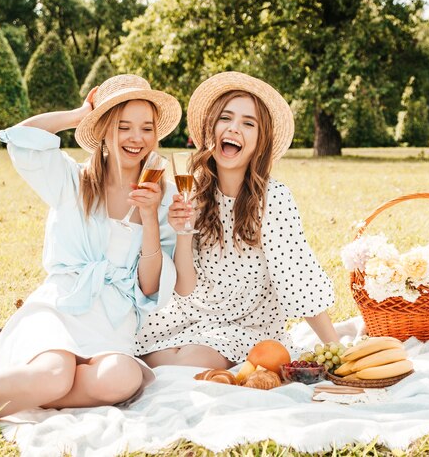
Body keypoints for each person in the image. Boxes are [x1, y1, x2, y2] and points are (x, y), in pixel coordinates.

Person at [0, 75, 182, 422]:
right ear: (104, 131)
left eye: (146, 128)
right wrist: (79, 114)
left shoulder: (164, 197)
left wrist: (149, 217)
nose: (136, 138)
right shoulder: (73, 181)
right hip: (61, 304)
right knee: (54, 373)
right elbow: (22, 141)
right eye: (123, 126)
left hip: (114, 322)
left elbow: (150, 287)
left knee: (121, 379)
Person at [136, 71, 339, 370]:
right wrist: (183, 231)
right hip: (191, 314)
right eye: (225, 118)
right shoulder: (193, 190)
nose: (234, 128)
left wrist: (335, 348)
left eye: (248, 123)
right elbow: (185, 288)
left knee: (186, 361)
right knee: (134, 348)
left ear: (260, 140)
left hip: (249, 325)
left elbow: (299, 281)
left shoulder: (273, 199)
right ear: (210, 130)